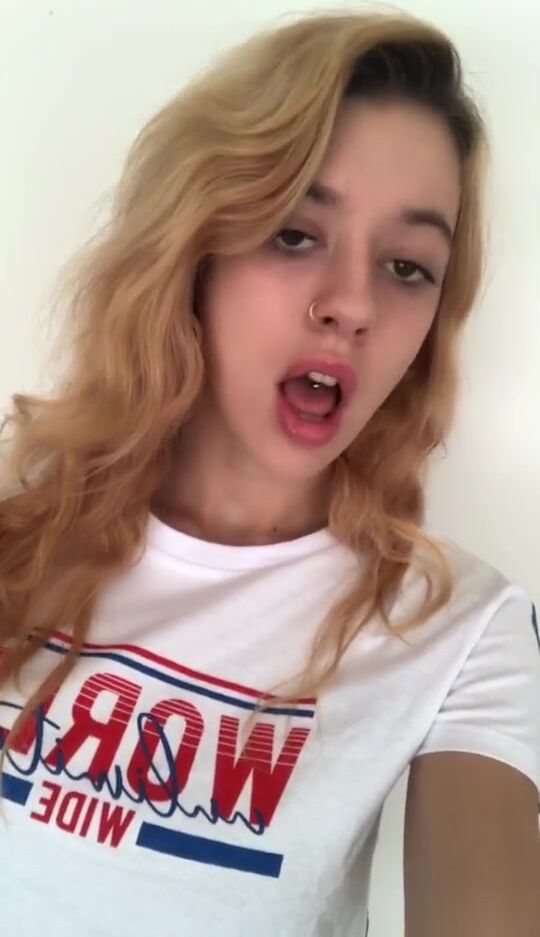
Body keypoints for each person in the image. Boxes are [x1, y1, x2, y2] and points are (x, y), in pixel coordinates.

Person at [0, 7, 539, 936]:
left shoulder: (461, 633)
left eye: (408, 265)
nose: (353, 303)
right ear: (194, 251)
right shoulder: (19, 538)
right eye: (295, 233)